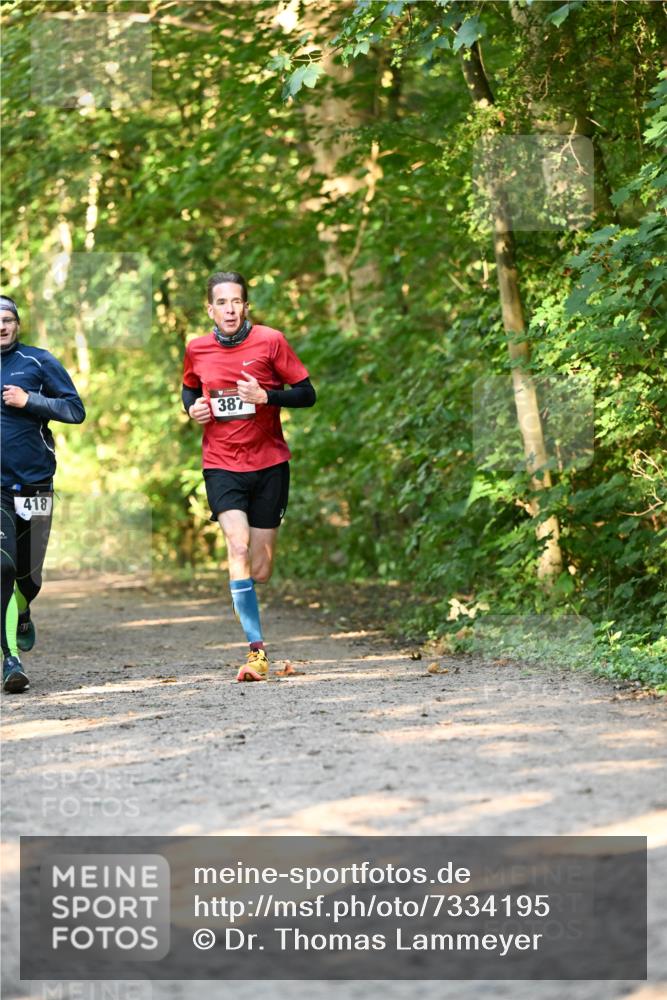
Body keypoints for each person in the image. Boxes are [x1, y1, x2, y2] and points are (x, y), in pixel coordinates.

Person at [182, 271, 316, 681]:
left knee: (260, 569)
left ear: (245, 306)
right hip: (221, 464)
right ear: (210, 309)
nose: (229, 309)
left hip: (270, 464)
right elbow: (190, 389)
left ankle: (254, 621)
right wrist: (192, 409)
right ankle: (256, 651)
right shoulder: (197, 348)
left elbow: (307, 394)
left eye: (236, 301)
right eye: (221, 302)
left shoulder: (270, 341)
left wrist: (267, 396)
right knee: (236, 548)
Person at [0, 295, 86, 693]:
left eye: (7, 320)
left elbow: (74, 410)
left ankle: (24, 608)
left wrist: (28, 400)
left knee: (28, 576)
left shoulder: (38, 361)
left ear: (17, 324)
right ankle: (10, 660)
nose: (1, 326)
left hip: (34, 483)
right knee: (1, 566)